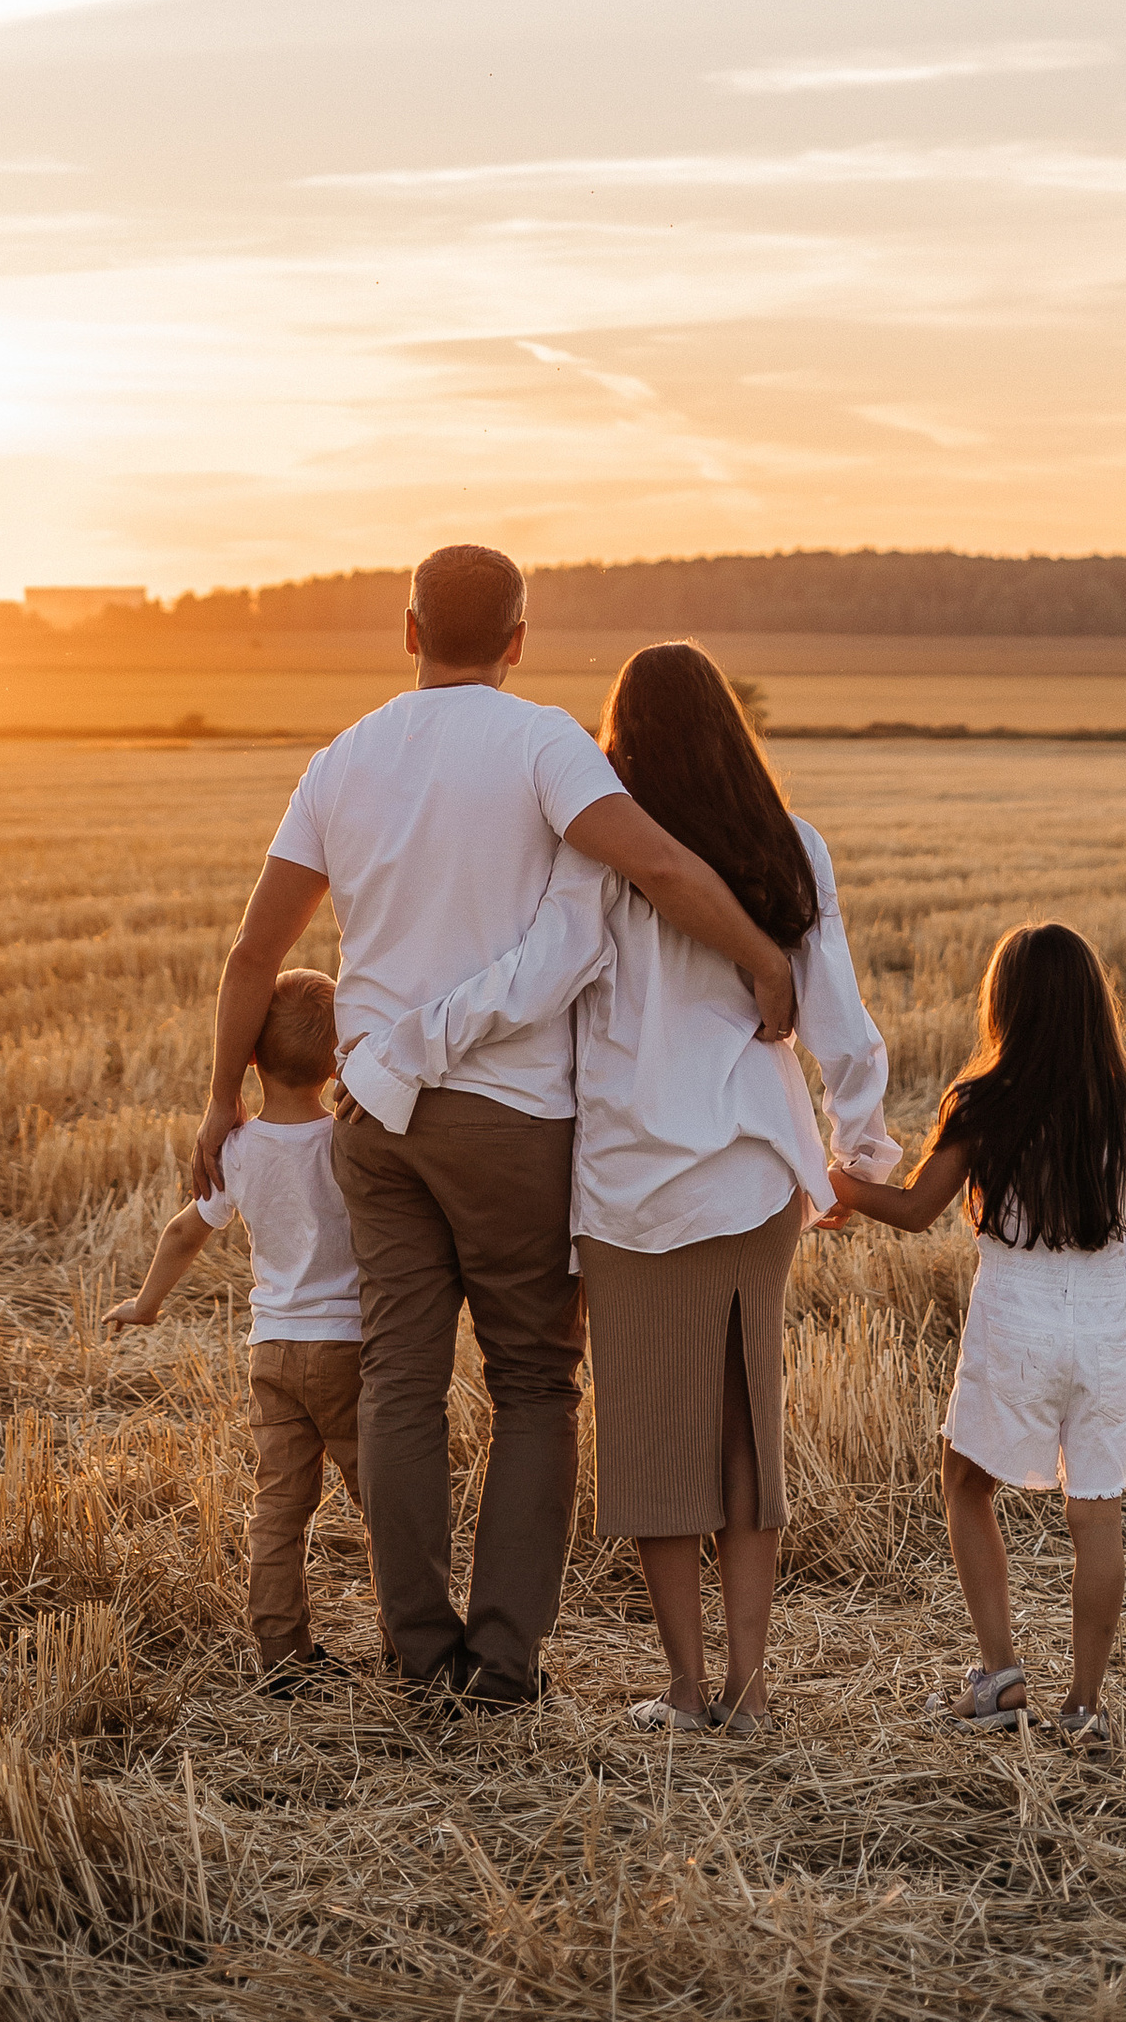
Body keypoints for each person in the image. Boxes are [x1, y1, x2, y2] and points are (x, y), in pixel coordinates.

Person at [192, 546, 804, 1711]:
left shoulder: (343, 760)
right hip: (514, 1117)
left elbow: (253, 954)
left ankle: (419, 1657)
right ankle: (504, 1662)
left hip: (376, 1115)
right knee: (532, 1384)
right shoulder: (544, 746)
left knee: (401, 1384)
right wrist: (764, 958)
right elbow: (663, 867)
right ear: (519, 638)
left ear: (406, 625)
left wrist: (218, 1093)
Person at [342, 642, 897, 1735]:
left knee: (652, 1447)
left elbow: (541, 974)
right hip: (751, 1177)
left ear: (623, 735)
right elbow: (838, 1017)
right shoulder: (789, 848)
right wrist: (861, 1151)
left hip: (633, 1184)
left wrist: (409, 1044)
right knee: (747, 1437)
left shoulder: (599, 855)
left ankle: (687, 1693)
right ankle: (748, 1690)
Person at [829, 921, 1126, 1744]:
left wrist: (839, 1182)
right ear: (1096, 1005)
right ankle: (1086, 1709)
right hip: (1103, 1326)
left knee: (964, 1485)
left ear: (1006, 1007)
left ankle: (1000, 1674)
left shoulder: (983, 1102)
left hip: (1014, 1317)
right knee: (1098, 1515)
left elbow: (916, 1211)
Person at [111, 966, 374, 1683]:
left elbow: (181, 1235)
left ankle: (281, 1655)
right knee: (384, 1503)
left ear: (250, 1056)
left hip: (273, 1351)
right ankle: (407, 1640)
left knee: (278, 1511)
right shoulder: (348, 1141)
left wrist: (146, 1304)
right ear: (338, 1057)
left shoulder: (235, 1150)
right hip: (347, 1348)